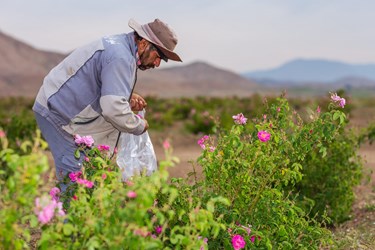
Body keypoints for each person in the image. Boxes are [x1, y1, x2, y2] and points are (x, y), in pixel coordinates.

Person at [33, 18, 182, 188]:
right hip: (57, 114)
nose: (157, 63)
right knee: (75, 181)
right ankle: (67, 212)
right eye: (159, 56)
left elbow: (102, 85)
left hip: (61, 109)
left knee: (87, 177)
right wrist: (139, 125)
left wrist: (125, 96)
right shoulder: (121, 56)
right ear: (143, 44)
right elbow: (112, 109)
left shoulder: (122, 48)